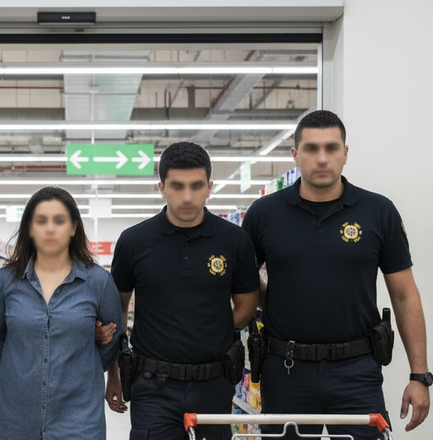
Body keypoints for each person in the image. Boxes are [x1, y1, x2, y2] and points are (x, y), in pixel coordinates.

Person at [241, 110, 430, 439]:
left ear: (345, 153)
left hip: (357, 371)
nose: (322, 158)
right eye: (311, 148)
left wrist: (420, 375)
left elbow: (405, 294)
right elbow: (242, 282)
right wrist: (279, 299)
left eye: (331, 148)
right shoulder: (263, 215)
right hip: (285, 370)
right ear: (295, 154)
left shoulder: (378, 212)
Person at [105, 141, 260, 440]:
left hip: (215, 383)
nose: (187, 196)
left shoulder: (235, 241)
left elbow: (247, 304)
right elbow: (117, 312)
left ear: (210, 187)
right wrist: (114, 373)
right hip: (152, 388)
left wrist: (211, 331)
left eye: (196, 185)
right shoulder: (134, 242)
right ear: (161, 187)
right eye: (177, 186)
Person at [0, 186, 122, 440]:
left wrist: (83, 366)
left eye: (59, 221)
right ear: (29, 228)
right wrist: (24, 366)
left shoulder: (98, 281)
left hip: (79, 417)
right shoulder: (5, 280)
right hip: (16, 417)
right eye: (41, 221)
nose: (49, 228)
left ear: (73, 228)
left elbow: (112, 339)